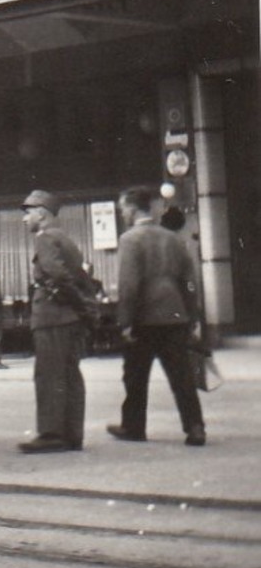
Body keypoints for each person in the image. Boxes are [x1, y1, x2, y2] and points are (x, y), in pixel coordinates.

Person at [108, 186, 206, 447]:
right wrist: (193, 315)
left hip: (144, 318)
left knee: (135, 376)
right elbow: (190, 281)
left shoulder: (130, 239)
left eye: (123, 209)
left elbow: (129, 285)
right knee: (181, 375)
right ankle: (195, 427)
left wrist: (125, 321)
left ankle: (133, 427)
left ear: (132, 208)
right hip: (175, 316)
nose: (122, 213)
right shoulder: (173, 238)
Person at [18, 190, 87, 453]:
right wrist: (80, 307)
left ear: (41, 214)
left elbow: (57, 274)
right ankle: (72, 433)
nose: (25, 219)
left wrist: (71, 298)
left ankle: (51, 434)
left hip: (51, 317)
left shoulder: (45, 238)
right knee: (70, 375)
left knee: (48, 375)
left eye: (28, 213)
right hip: (68, 318)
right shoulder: (66, 239)